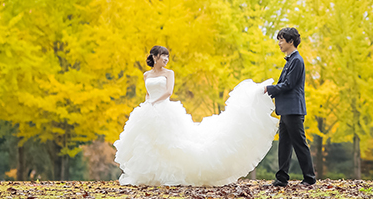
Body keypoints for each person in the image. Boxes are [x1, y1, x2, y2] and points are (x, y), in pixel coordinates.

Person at [114, 45, 279, 186]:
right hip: (149, 109)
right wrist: (146, 105)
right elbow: (148, 94)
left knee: (170, 143)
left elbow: (168, 92)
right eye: (163, 56)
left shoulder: (169, 73)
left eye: (167, 56)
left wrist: (154, 102)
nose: (166, 59)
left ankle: (173, 173)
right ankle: (150, 175)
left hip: (164, 108)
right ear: (154, 56)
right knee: (147, 143)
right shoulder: (146, 75)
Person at [265, 27, 317, 187]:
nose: (279, 43)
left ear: (291, 41)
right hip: (287, 109)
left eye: (281, 40)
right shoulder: (291, 60)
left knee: (299, 143)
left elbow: (288, 85)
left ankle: (309, 178)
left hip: (294, 110)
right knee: (284, 144)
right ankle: (281, 178)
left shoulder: (296, 61)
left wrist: (269, 89)